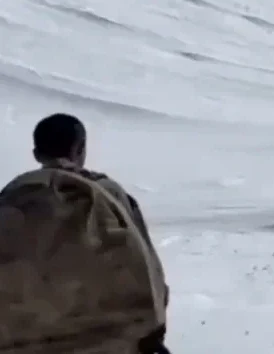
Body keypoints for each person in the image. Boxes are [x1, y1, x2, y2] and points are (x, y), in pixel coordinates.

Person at [0, 113, 170, 354]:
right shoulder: (109, 195)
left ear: (37, 154)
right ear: (80, 149)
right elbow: (151, 274)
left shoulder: (13, 197)